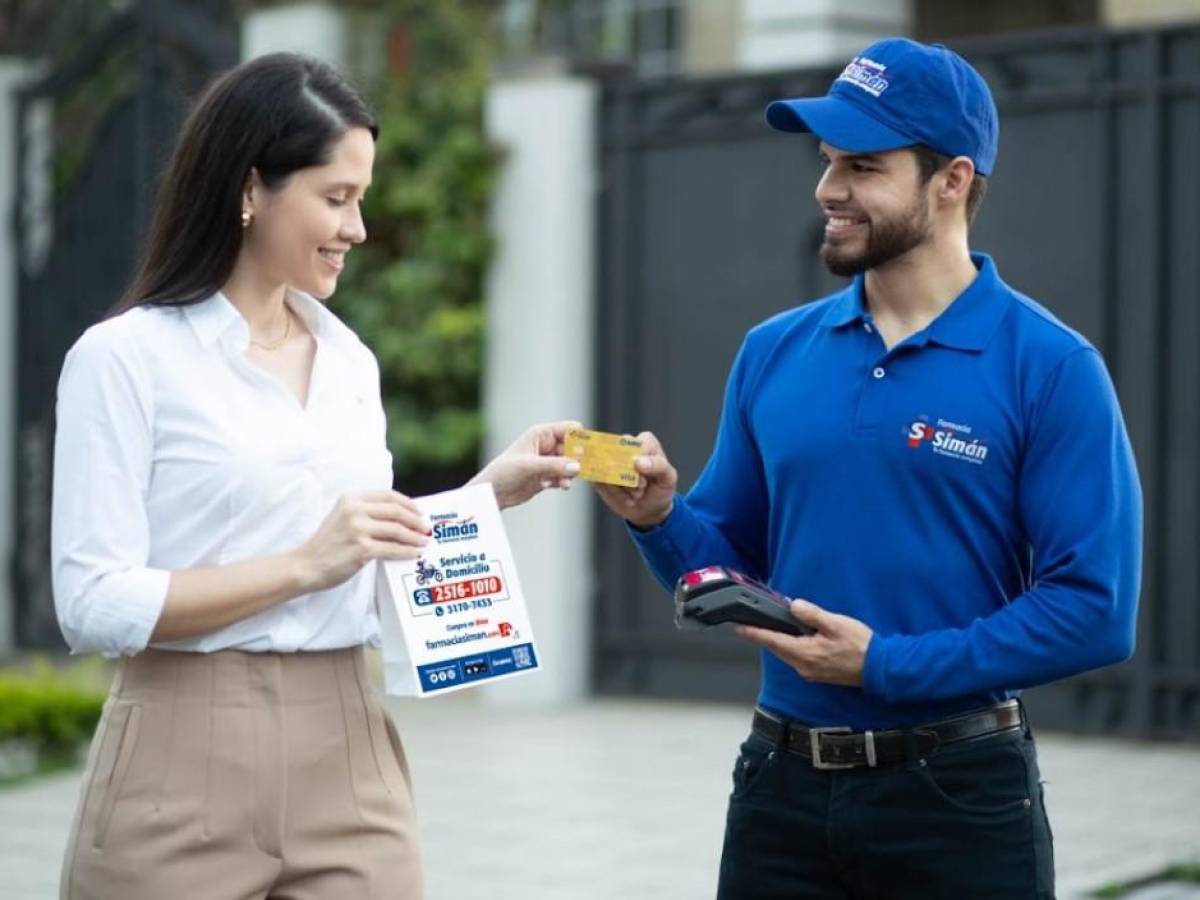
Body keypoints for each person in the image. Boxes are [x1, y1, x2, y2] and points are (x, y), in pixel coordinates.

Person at [591, 38, 1141, 899]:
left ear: (951, 181)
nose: (828, 190)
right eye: (826, 161)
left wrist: (884, 666)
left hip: (958, 800)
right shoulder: (772, 352)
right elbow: (723, 570)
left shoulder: (1051, 365)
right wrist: (659, 517)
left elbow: (1093, 611)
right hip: (779, 790)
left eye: (863, 166)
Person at [52, 53, 578, 899]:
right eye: (337, 199)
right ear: (251, 188)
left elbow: (355, 563)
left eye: (360, 199)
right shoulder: (124, 361)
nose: (358, 228)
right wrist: (305, 564)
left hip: (349, 749)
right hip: (176, 758)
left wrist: (484, 496)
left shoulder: (349, 363)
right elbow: (91, 603)